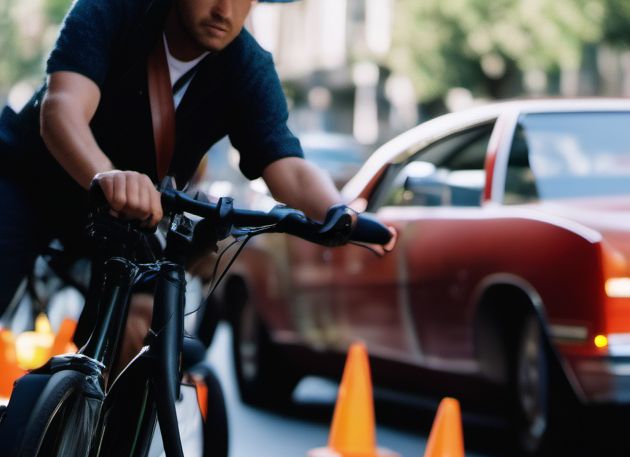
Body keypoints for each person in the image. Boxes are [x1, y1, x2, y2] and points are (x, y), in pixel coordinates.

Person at [0, 0, 370, 320]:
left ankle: (86, 400)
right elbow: (62, 108)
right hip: (30, 184)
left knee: (141, 322)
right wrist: (107, 175)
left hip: (131, 215)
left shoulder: (248, 67)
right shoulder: (112, 9)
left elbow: (288, 167)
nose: (225, 10)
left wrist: (338, 211)